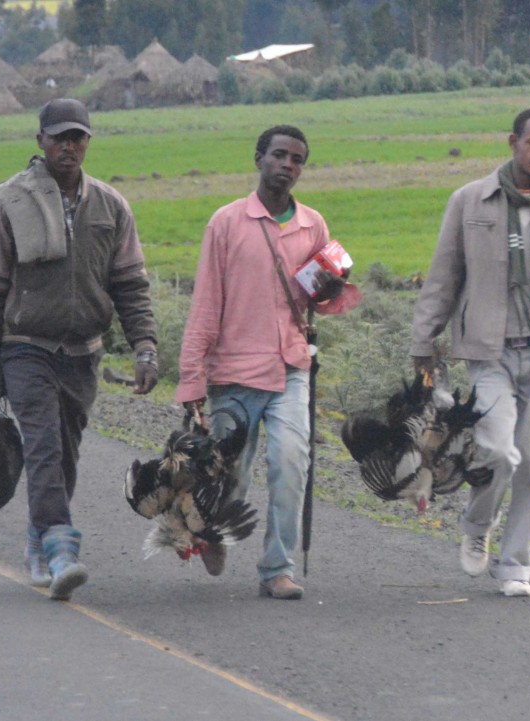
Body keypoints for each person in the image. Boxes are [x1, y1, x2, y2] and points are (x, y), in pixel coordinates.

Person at [0, 98, 159, 601]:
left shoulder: (111, 206)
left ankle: (37, 539)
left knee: (66, 454)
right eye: (58, 138)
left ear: (88, 142)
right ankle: (61, 547)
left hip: (84, 352)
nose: (68, 146)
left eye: (77, 137)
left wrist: (144, 348)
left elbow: (131, 285)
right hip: (25, 346)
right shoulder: (11, 203)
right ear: (40, 142)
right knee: (44, 445)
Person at [410, 107, 530, 597]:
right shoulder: (470, 201)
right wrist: (424, 343)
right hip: (489, 352)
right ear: (513, 142)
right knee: (498, 451)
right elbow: (443, 277)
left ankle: (515, 565)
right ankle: (477, 526)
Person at [176, 125, 361, 600]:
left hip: (290, 368)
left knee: (291, 461)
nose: (287, 165)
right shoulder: (226, 223)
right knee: (229, 476)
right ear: (258, 159)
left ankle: (277, 567)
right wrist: (192, 379)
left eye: (297, 159)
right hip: (232, 372)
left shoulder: (313, 224)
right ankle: (213, 530)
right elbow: (204, 305)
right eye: (278, 155)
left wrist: (333, 287)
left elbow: (317, 303)